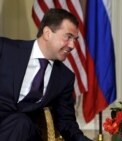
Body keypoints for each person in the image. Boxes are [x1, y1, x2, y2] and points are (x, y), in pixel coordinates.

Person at [0, 8, 92, 141]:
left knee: (20, 123)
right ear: (47, 33)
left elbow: (66, 123)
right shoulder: (6, 49)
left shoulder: (65, 78)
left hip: (24, 131)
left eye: (75, 39)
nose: (72, 45)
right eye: (68, 37)